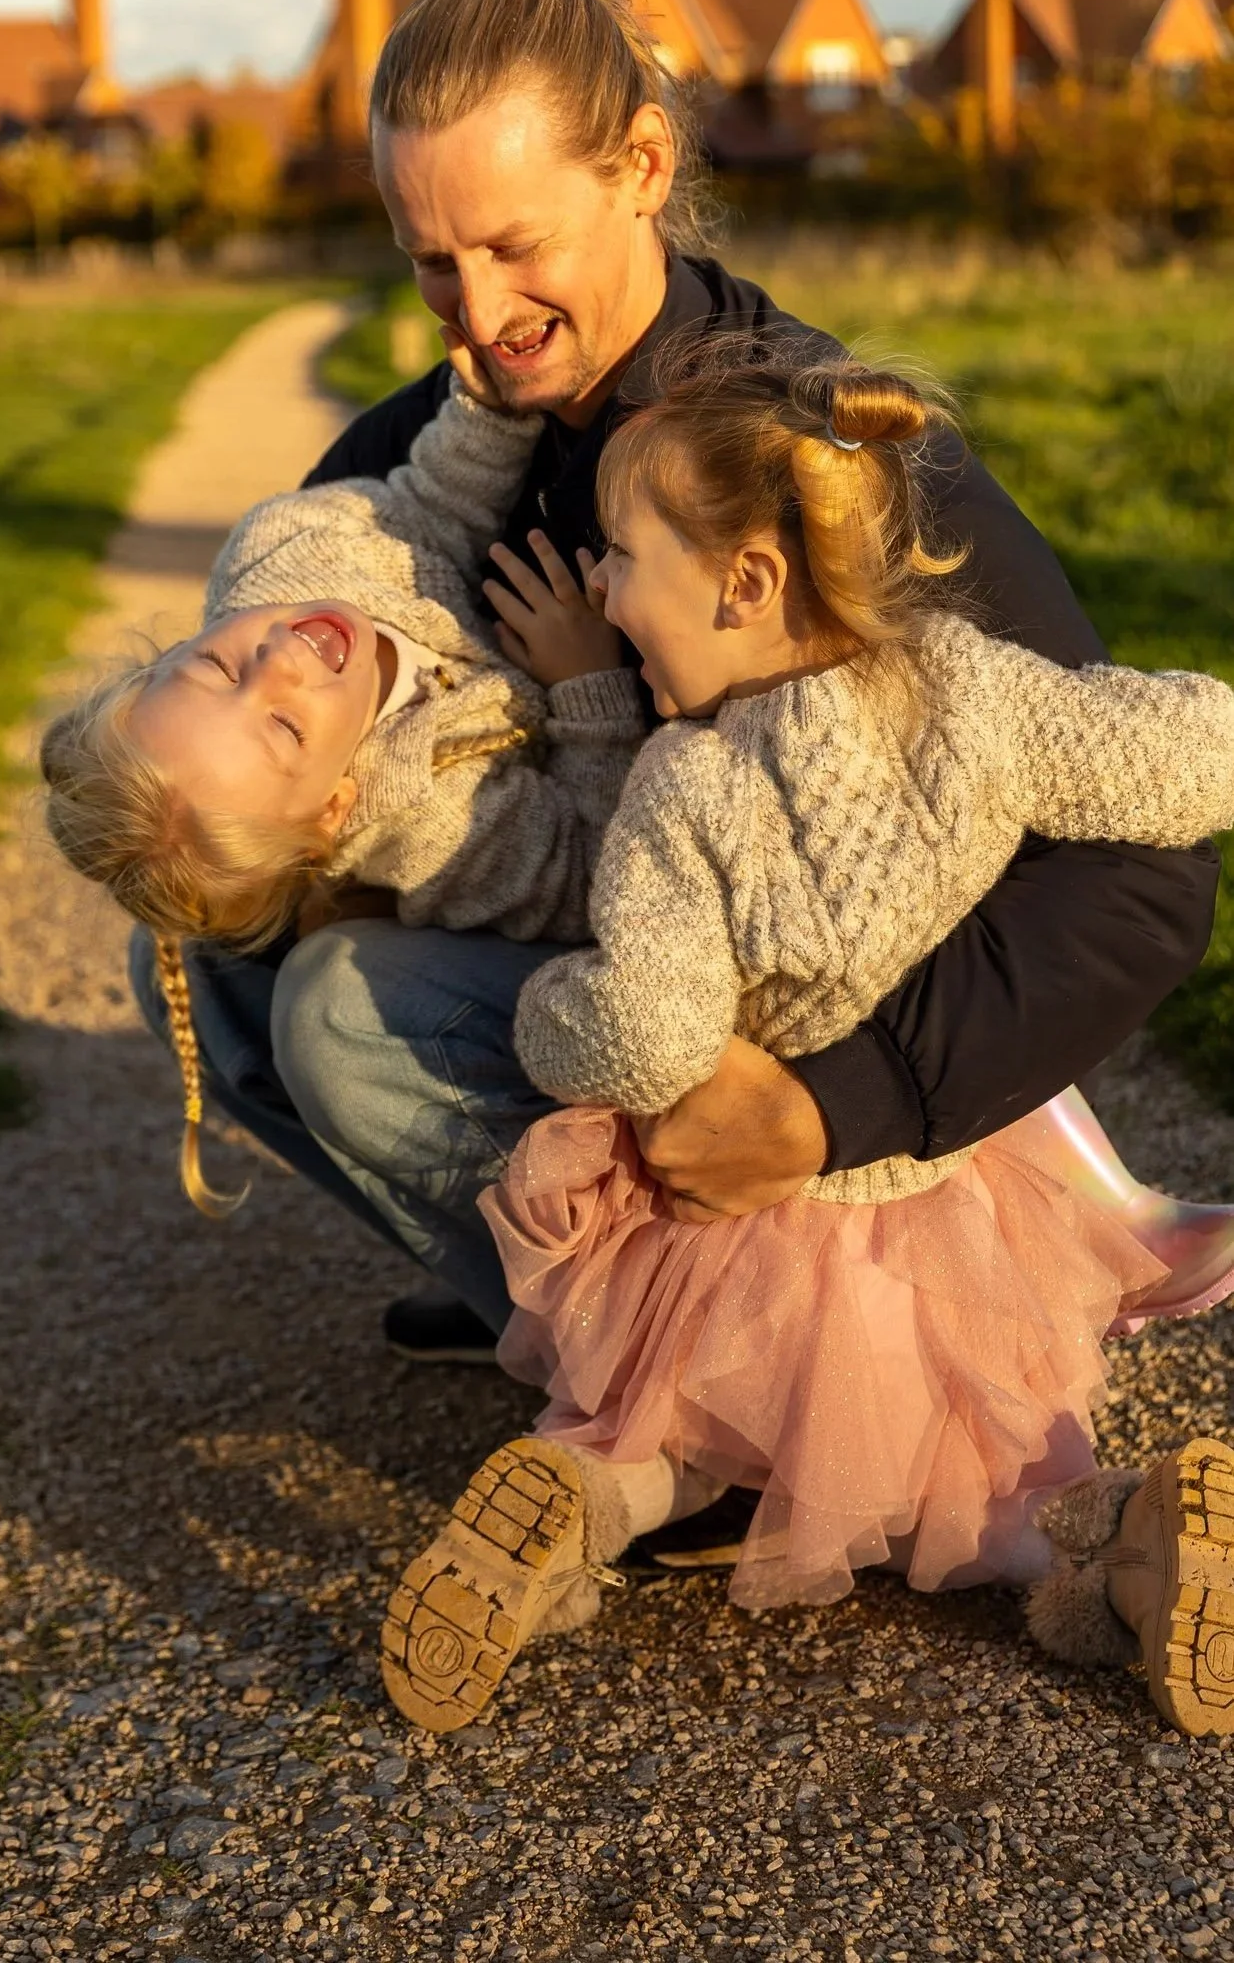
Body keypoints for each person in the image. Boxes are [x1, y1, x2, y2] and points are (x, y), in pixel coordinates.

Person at [129, 0, 1215, 1481]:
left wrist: (838, 1101)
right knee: (211, 929)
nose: (477, 311)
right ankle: (564, 1304)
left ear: (640, 165)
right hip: (625, 941)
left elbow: (1142, 881)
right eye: (430, 260)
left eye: (516, 246)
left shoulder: (804, 452)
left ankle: (744, 1420)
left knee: (340, 1016)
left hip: (810, 1011)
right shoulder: (421, 443)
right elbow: (275, 654)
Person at [379, 343, 1234, 1739]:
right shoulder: (966, 686)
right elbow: (1176, 755)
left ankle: (577, 1509)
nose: (603, 591)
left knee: (658, 1431)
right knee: (989, 1475)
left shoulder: (685, 787)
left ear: (745, 583)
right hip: (951, 1187)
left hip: (752, 1228)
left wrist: (550, 1019)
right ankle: (1126, 1538)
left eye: (620, 559)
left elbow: (650, 1032)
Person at [43, 357, 641, 1226]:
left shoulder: (282, 552)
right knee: (220, 978)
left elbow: (429, 506)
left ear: (170, 649)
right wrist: (588, 687)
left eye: (215, 664)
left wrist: (492, 407)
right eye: (283, 729)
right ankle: (539, 1268)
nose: (279, 661)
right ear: (334, 806)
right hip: (613, 977)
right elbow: (594, 867)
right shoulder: (435, 820)